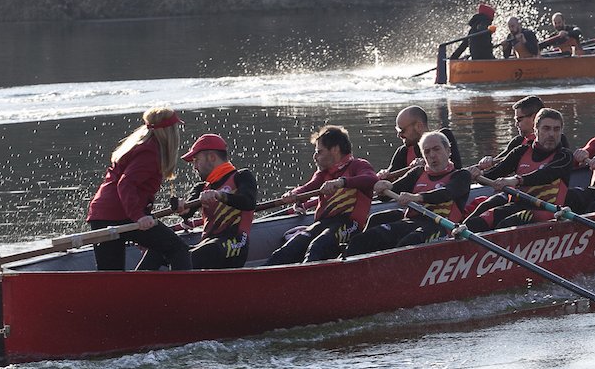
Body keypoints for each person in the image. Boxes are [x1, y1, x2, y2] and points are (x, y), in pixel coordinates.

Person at [85, 107, 192, 271]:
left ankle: (140, 291)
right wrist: (138, 217)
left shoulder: (142, 144)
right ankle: (184, 294)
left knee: (111, 275)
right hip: (118, 215)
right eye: (175, 128)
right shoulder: (150, 151)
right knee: (178, 250)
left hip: (104, 214)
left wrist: (143, 216)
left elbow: (138, 189)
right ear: (168, 132)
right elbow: (126, 184)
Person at [265, 125, 378, 264]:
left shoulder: (358, 165)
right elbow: (307, 188)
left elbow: (371, 179)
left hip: (351, 225)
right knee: (288, 249)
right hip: (324, 223)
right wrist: (292, 194)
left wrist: (341, 182)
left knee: (318, 246)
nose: (315, 157)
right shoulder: (323, 174)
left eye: (319, 151)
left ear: (335, 149)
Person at [345, 131, 471, 255]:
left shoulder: (461, 176)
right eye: (426, 152)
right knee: (362, 240)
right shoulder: (417, 172)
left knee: (408, 243)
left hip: (442, 227)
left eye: (436, 149)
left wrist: (416, 197)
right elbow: (390, 193)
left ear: (448, 151)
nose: (432, 155)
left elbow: (445, 194)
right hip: (411, 222)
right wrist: (384, 187)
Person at [464, 108, 573, 231]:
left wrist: (516, 180)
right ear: (535, 130)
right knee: (477, 222)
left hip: (547, 211)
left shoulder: (565, 156)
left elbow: (544, 175)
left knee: (506, 224)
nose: (552, 134)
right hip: (517, 206)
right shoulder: (521, 152)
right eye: (546, 128)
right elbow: (493, 175)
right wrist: (477, 174)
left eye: (556, 129)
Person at [175, 133, 258, 270]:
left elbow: (248, 202)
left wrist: (220, 195)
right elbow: (187, 213)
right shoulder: (201, 187)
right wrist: (180, 207)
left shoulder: (242, 176)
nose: (195, 167)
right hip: (208, 244)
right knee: (161, 251)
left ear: (212, 157)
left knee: (208, 250)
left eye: (196, 160)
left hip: (236, 244)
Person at [378, 106, 463, 179]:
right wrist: (383, 175)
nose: (399, 135)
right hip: (412, 197)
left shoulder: (443, 136)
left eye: (402, 130)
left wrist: (424, 165)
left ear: (419, 126)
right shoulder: (403, 152)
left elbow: (457, 169)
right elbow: (391, 178)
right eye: (398, 131)